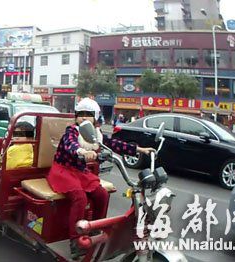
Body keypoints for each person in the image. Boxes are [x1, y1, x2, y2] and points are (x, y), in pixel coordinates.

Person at [46, 98, 155, 259]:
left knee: (102, 194)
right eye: (80, 114)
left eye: (88, 115)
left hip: (80, 172)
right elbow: (70, 145)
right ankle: (75, 241)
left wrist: (140, 149)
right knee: (80, 197)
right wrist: (82, 152)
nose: (83, 118)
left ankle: (96, 229)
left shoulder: (96, 134)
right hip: (63, 171)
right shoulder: (72, 131)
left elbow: (113, 144)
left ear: (95, 117)